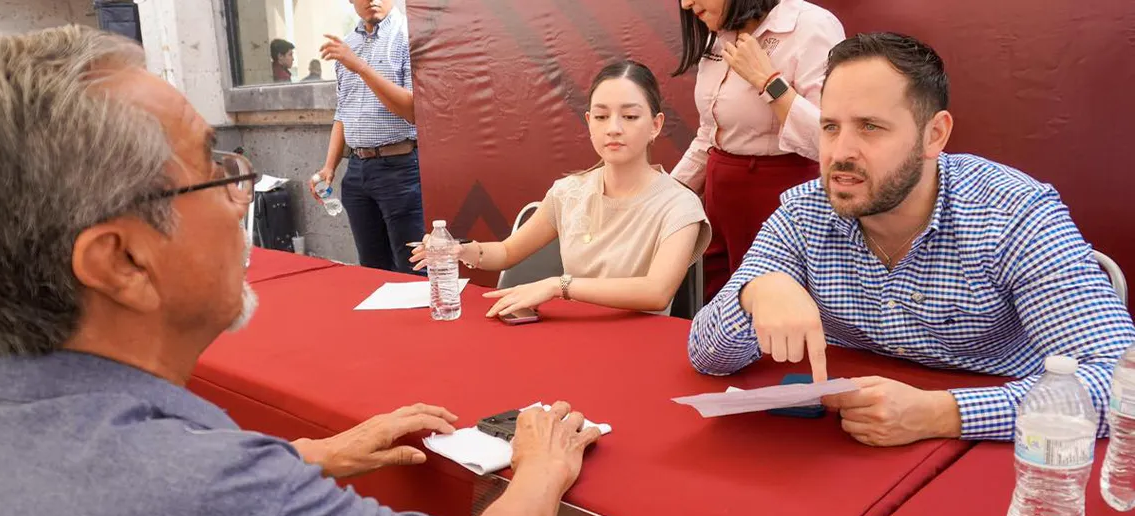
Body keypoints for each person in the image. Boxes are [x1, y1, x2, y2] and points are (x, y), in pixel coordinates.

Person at [0, 25, 602, 516]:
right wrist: (542, 467)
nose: (241, 197)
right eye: (215, 173)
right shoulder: (213, 501)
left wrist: (312, 453)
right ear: (123, 261)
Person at [687, 32, 1135, 446]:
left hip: (998, 451)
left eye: (870, 127)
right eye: (829, 127)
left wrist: (943, 414)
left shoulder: (1015, 214)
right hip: (845, 444)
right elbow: (706, 355)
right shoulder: (805, 213)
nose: (840, 152)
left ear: (934, 134)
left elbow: (1122, 389)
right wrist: (756, 290)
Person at [410, 61, 712, 318]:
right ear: (589, 122)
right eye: (602, 116)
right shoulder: (569, 192)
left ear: (656, 125)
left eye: (630, 116)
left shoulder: (679, 205)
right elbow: (506, 252)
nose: (613, 128)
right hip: (571, 334)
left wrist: (559, 286)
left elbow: (656, 292)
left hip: (641, 343)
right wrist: (460, 250)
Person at [672, 0, 845, 301]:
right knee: (720, 312)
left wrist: (768, 83)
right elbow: (709, 135)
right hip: (720, 205)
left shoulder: (811, 25)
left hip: (778, 202)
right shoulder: (719, 33)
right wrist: (664, 197)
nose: (686, 3)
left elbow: (831, 139)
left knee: (772, 313)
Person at [313, 0, 425, 274]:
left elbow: (413, 110)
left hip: (401, 169)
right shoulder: (348, 44)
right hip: (357, 171)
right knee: (372, 271)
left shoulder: (408, 36)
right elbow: (344, 111)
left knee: (413, 269)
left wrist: (360, 66)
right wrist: (329, 167)